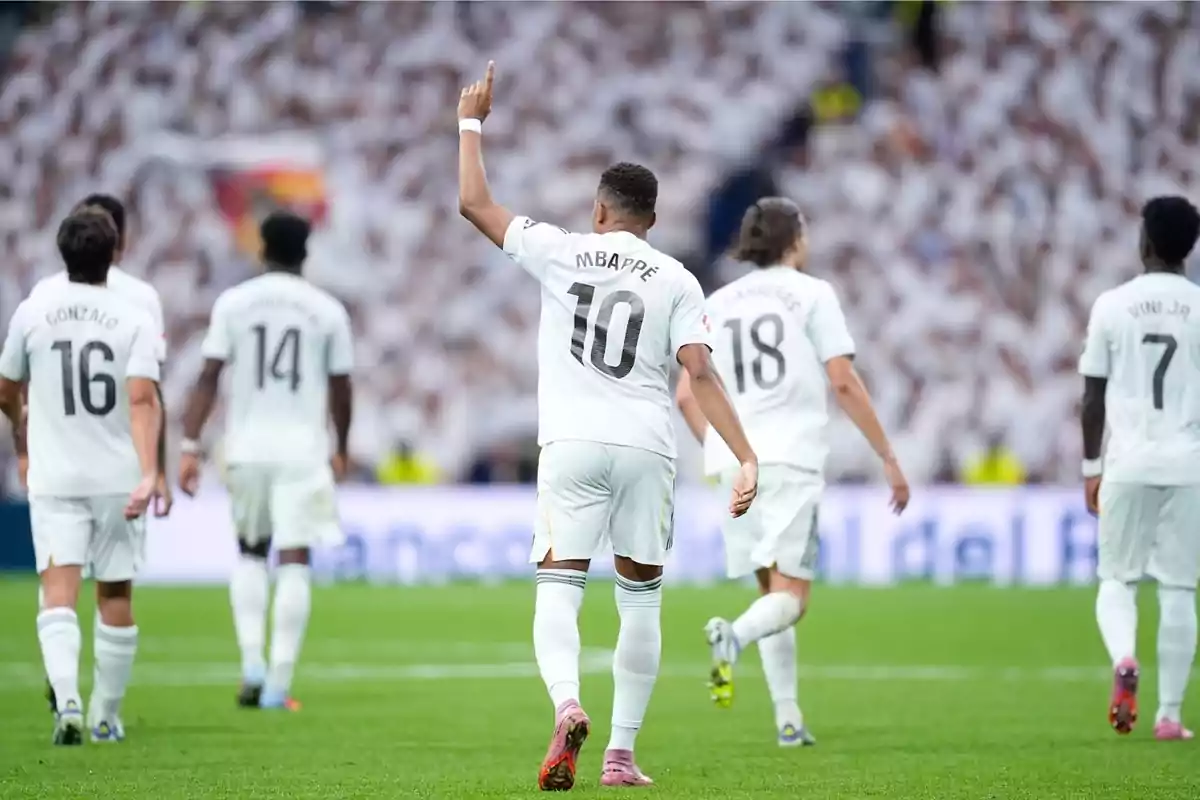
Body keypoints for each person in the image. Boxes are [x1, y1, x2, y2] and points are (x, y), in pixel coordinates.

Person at [457, 63, 758, 790]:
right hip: (646, 448)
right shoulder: (679, 278)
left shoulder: (560, 250)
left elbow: (474, 203)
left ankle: (567, 705)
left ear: (599, 211)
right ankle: (621, 756)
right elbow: (700, 370)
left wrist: (470, 122)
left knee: (559, 587)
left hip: (570, 444)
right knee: (640, 599)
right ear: (651, 221)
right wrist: (743, 456)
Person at [677, 198, 910, 746]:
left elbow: (688, 392)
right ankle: (732, 636)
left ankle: (787, 719)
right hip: (792, 456)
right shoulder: (813, 294)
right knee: (793, 597)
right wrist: (887, 455)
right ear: (795, 240)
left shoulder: (719, 300)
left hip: (738, 464)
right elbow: (845, 383)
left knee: (770, 590)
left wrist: (722, 448)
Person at [178, 210, 354, 712]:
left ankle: (251, 663)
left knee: (252, 552)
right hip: (301, 448)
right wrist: (341, 445)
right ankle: (278, 681)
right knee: (295, 558)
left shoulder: (234, 303)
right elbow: (342, 387)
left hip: (247, 445)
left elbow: (209, 376)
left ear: (261, 249)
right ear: (306, 253)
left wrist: (190, 446)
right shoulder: (326, 310)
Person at [0, 209, 161, 744]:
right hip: (117, 477)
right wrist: (150, 471)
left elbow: (6, 388)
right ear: (114, 255)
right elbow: (142, 399)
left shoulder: (33, 312)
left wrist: (24, 429)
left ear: (61, 252)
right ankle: (104, 716)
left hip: (57, 475)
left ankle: (66, 701)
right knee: (115, 595)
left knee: (58, 592)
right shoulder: (133, 316)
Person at [1079, 195, 1200, 741]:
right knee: (1178, 590)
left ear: (1145, 242)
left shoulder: (1112, 305)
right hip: (1188, 463)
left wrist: (1090, 466)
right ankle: (1170, 716)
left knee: (1117, 579)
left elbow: (1092, 397)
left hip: (1127, 461)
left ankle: (1124, 659)